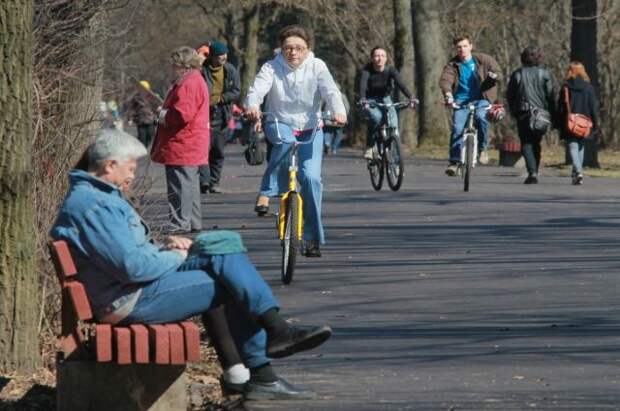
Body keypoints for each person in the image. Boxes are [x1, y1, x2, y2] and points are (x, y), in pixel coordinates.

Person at [51, 129, 333, 400]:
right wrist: (176, 256)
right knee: (228, 284)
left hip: (131, 288)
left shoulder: (97, 196)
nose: (133, 176)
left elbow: (126, 255)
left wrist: (163, 247)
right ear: (110, 165)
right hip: (127, 299)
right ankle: (264, 364)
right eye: (131, 169)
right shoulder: (95, 206)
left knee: (223, 246)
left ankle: (267, 343)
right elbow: (132, 267)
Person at [245, 25, 347, 258]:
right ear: (281, 49)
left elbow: (330, 91)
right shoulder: (271, 67)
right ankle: (268, 190)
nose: (293, 52)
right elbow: (257, 90)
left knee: (311, 179)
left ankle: (311, 238)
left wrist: (338, 111)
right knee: (285, 143)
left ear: (307, 48)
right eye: (288, 48)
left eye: (299, 48)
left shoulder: (317, 65)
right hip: (280, 122)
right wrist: (252, 106)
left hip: (311, 126)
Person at [151, 46, 209, 233]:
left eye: (174, 64)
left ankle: (179, 224)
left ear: (182, 64)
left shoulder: (188, 83)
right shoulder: (195, 80)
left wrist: (162, 114)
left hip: (183, 143)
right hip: (191, 142)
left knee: (180, 187)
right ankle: (193, 222)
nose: (172, 67)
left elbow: (182, 114)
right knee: (189, 186)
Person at [439, 34, 502, 175]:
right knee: (457, 128)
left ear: (471, 47)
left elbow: (499, 73)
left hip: (482, 99)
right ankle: (454, 162)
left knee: (481, 117)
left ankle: (483, 149)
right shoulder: (452, 65)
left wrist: (494, 76)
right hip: (460, 101)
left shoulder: (483, 60)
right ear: (456, 49)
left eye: (465, 46)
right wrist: (448, 95)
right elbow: (445, 80)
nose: (462, 49)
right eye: (459, 47)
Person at [506, 46, 557, 184]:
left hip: (523, 112)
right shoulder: (544, 74)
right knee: (536, 142)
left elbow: (510, 95)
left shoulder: (518, 74)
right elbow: (550, 96)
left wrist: (513, 110)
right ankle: (534, 171)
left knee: (526, 142)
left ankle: (532, 172)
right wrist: (552, 113)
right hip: (541, 113)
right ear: (539, 58)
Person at [198, 41, 241, 194]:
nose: (223, 57)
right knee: (203, 149)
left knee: (218, 150)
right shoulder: (202, 70)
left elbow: (236, 91)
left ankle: (214, 182)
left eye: (225, 54)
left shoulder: (230, 70)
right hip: (204, 114)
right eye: (219, 55)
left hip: (222, 114)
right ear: (212, 56)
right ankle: (204, 181)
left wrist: (221, 99)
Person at [359, 47, 417, 159]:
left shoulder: (390, 70)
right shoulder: (367, 70)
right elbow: (362, 86)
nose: (380, 58)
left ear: (386, 58)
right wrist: (363, 99)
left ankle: (395, 155)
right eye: (377, 56)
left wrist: (411, 97)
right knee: (376, 117)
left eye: (382, 56)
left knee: (393, 124)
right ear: (372, 58)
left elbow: (401, 85)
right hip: (371, 99)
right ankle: (370, 146)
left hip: (386, 98)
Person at [555, 61, 599, 185]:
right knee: (580, 146)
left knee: (573, 145)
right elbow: (593, 107)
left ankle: (578, 171)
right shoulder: (589, 88)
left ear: (570, 71)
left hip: (570, 122)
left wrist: (558, 122)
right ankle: (577, 174)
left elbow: (561, 107)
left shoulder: (566, 87)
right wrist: (595, 123)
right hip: (585, 122)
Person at [124, 80, 160, 148]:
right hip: (140, 120)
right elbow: (131, 108)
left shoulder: (152, 97)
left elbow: (157, 106)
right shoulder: (136, 98)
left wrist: (158, 113)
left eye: (144, 88)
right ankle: (142, 149)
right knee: (142, 138)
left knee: (150, 135)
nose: (142, 90)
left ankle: (145, 146)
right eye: (140, 88)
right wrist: (130, 119)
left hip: (151, 120)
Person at [323, 87, 350, 155]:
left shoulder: (327, 95)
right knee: (338, 134)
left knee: (327, 131)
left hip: (328, 116)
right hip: (339, 116)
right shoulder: (342, 96)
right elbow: (347, 107)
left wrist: (323, 114)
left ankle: (327, 143)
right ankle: (334, 149)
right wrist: (345, 115)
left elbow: (322, 105)